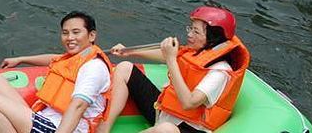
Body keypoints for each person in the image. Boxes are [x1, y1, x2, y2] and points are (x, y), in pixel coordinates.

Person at [97, 7, 250, 133]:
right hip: (166, 112)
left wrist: (171, 60)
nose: (189, 35)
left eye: (196, 32)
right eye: (190, 29)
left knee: (166, 130)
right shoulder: (198, 51)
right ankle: (104, 128)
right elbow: (168, 56)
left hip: (187, 128)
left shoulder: (220, 72)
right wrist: (128, 52)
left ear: (212, 37)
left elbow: (189, 103)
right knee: (124, 68)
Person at [0, 11, 111, 133]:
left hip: (59, 129)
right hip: (44, 120)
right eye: (65, 33)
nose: (70, 38)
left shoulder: (94, 68)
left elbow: (78, 106)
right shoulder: (76, 59)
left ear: (91, 35)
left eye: (76, 32)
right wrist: (21, 59)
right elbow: (54, 59)